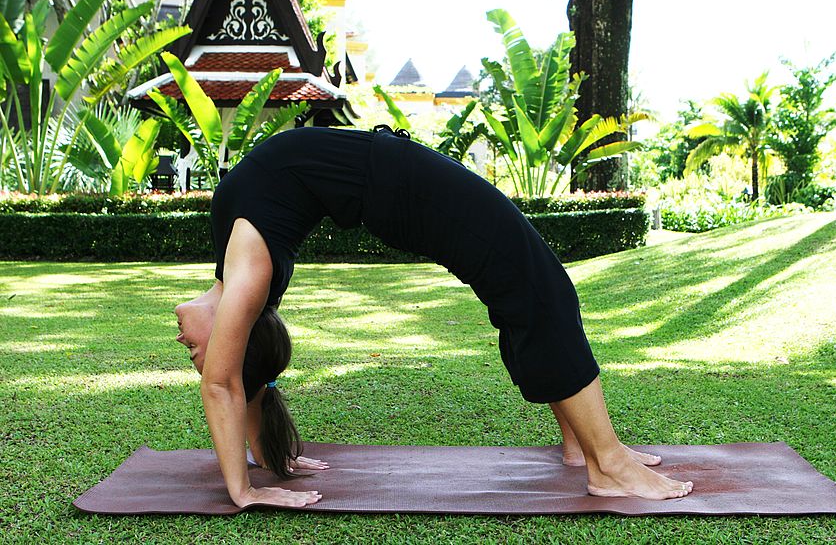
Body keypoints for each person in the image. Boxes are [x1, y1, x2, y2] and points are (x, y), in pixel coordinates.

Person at [174, 125, 693, 509]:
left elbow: (243, 377)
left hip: (398, 181)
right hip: (402, 187)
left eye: (197, 352)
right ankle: (607, 465)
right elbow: (227, 382)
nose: (190, 350)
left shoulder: (240, 269)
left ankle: (584, 447)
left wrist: (267, 456)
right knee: (537, 287)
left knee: (537, 288)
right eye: (198, 353)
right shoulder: (249, 274)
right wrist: (243, 492)